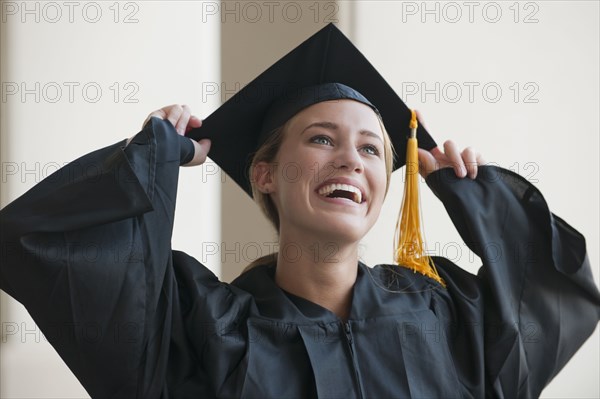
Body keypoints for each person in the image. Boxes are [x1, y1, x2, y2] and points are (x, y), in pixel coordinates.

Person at [1, 23, 599, 399]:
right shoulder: (201, 327)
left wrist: (479, 197)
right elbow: (36, 245)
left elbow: (556, 297)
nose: (350, 160)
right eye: (320, 139)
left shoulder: (446, 316)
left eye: (371, 148)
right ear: (264, 174)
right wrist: (151, 158)